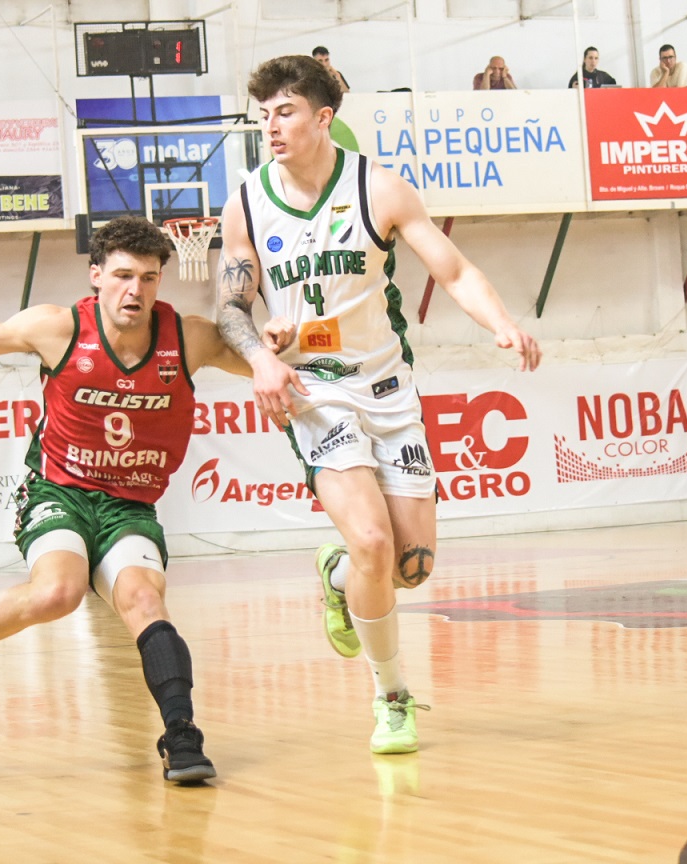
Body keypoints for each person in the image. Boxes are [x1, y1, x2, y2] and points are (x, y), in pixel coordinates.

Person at [0, 216, 289, 785]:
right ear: (96, 276)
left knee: (143, 602)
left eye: (150, 279)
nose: (136, 290)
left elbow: (263, 361)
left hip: (130, 504)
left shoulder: (189, 336)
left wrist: (282, 340)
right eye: (125, 276)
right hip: (58, 489)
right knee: (58, 591)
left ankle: (181, 734)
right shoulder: (57, 327)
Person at [215, 55, 541, 755]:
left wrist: (501, 323)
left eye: (285, 111)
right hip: (314, 391)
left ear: (323, 118)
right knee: (371, 541)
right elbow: (231, 307)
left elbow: (452, 269)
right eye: (264, 113)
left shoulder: (381, 190)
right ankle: (391, 696)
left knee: (409, 567)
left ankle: (334, 575)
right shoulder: (245, 202)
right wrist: (261, 358)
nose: (269, 125)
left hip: (389, 387)